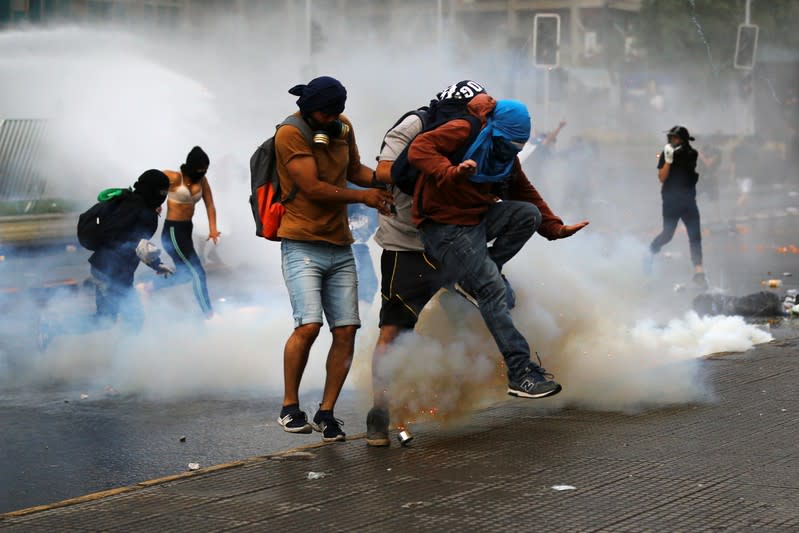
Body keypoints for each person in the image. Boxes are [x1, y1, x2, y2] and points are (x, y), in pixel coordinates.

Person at [409, 98, 589, 401]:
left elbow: (523, 190)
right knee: (494, 292)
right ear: (494, 129)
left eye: (518, 147)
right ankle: (520, 373)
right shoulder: (464, 129)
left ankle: (475, 277)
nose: (512, 151)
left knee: (527, 214)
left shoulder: (506, 154)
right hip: (444, 229)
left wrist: (555, 228)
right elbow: (419, 149)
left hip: (475, 223)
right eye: (508, 144)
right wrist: (450, 171)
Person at [365, 80, 489, 447]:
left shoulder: (481, 131)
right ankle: (380, 411)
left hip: (455, 238)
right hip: (407, 241)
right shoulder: (414, 127)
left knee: (484, 309)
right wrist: (432, 166)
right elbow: (384, 171)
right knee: (394, 330)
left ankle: (475, 385)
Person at [274, 76, 393, 442]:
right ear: (311, 110)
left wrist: (387, 179)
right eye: (324, 114)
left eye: (334, 114)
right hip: (301, 243)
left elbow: (354, 170)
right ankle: (290, 407)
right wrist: (363, 198)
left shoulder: (342, 127)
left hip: (341, 245)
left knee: (346, 329)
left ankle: (327, 413)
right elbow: (311, 187)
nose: (329, 120)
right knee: (309, 325)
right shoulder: (289, 134)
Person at [38, 170, 174, 350]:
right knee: (121, 318)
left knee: (111, 318)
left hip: (105, 268)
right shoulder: (145, 213)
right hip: (113, 273)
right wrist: (158, 264)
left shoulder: (126, 199)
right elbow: (138, 245)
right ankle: (124, 359)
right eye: (162, 193)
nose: (163, 198)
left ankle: (122, 356)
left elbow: (125, 239)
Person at [158, 146, 219, 318]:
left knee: (185, 275)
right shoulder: (175, 178)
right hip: (172, 232)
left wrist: (213, 229)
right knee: (197, 272)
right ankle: (208, 314)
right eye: (200, 169)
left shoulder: (203, 181)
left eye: (205, 170)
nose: (203, 173)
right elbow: (151, 182)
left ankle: (148, 287)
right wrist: (156, 203)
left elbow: (210, 205)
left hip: (185, 230)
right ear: (191, 167)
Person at [647, 125, 707, 289]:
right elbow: (662, 177)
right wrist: (668, 160)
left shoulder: (691, 154)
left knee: (695, 236)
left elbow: (688, 172)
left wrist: (674, 157)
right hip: (671, 201)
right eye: (671, 138)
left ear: (683, 140)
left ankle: (699, 272)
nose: (672, 140)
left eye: (676, 138)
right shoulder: (666, 153)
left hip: (688, 201)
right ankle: (652, 250)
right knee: (667, 234)